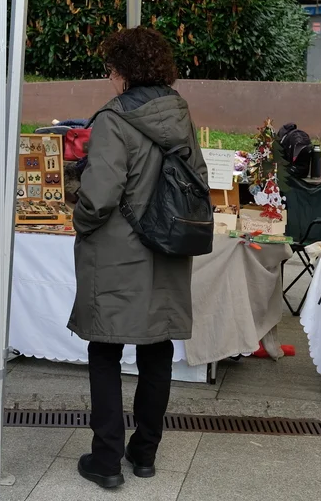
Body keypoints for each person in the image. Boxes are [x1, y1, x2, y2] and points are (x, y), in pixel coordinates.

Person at [70, 27, 206, 489]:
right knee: (157, 349)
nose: (109, 78)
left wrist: (80, 221)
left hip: (116, 253)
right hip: (168, 246)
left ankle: (106, 460)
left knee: (105, 349)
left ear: (123, 71)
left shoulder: (114, 119)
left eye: (110, 70)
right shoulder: (179, 113)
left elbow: (99, 196)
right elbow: (197, 178)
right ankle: (144, 453)